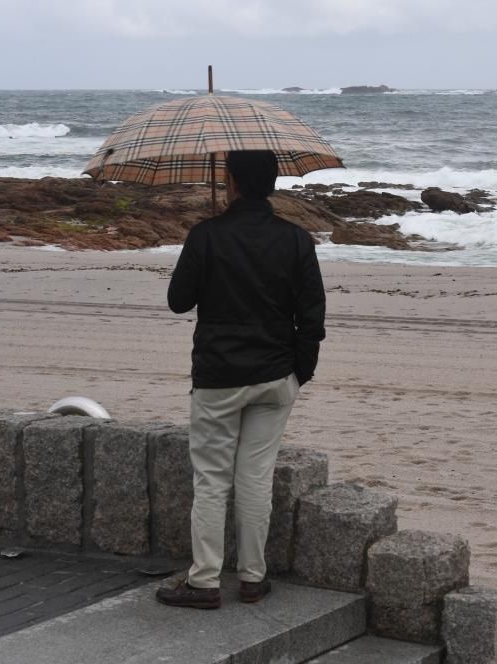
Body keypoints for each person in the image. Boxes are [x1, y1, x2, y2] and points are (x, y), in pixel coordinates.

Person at [157, 150, 326, 610]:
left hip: (219, 375)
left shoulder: (207, 235)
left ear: (230, 181)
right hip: (275, 376)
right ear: (272, 182)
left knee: (212, 480)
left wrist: (206, 244)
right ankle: (253, 578)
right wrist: (300, 372)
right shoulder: (296, 240)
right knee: (255, 477)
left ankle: (205, 581)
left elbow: (178, 301)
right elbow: (312, 316)